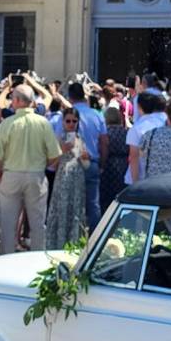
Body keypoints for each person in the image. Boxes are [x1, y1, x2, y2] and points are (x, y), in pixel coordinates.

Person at [0, 84, 62, 254]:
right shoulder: (43, 123)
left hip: (11, 174)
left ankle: (6, 259)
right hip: (36, 175)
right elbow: (55, 155)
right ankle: (37, 264)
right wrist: (42, 166)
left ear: (16, 101)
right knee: (38, 224)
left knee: (7, 225)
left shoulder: (6, 124)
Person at [53, 82, 108, 230]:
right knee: (92, 204)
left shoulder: (64, 117)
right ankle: (95, 237)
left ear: (70, 98)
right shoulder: (97, 115)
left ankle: (72, 235)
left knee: (71, 203)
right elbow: (104, 142)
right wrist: (102, 163)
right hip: (91, 162)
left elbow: (58, 140)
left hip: (71, 164)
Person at [47, 108, 90, 249]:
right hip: (63, 177)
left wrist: (85, 157)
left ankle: (75, 243)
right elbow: (50, 163)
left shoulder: (79, 139)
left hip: (77, 179)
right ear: (63, 122)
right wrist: (62, 151)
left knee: (76, 209)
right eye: (68, 121)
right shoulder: (58, 138)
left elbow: (86, 165)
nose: (71, 124)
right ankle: (58, 244)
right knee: (61, 209)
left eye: (74, 121)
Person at [126, 93, 167, 185]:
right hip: (164, 176)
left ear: (139, 107)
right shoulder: (164, 122)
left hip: (143, 179)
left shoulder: (137, 128)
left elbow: (134, 157)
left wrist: (135, 184)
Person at [100, 106, 129, 213]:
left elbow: (103, 149)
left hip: (109, 165)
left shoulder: (105, 133)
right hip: (124, 164)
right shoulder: (126, 132)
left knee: (107, 196)